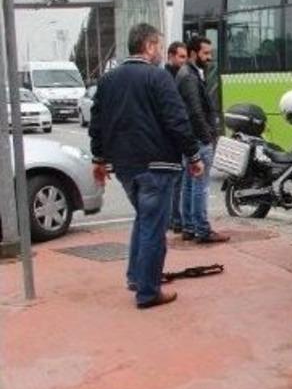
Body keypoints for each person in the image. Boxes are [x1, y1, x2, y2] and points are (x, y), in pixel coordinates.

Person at [89, 23, 204, 309]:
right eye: (158, 47)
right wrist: (194, 156)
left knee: (144, 219)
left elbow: (97, 123)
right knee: (154, 226)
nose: (160, 53)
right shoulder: (158, 77)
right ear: (149, 46)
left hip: (125, 166)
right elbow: (177, 120)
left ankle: (136, 277)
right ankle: (148, 292)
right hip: (158, 164)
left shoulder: (108, 80)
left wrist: (99, 159)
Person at [176, 35, 229, 244]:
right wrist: (207, 137)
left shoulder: (187, 73)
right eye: (205, 53)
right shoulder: (189, 77)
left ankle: (189, 227)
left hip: (189, 138)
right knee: (200, 185)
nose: (209, 58)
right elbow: (196, 112)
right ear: (193, 53)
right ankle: (202, 229)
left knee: (189, 184)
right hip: (198, 139)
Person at [165, 41, 189, 233]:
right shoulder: (166, 78)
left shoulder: (178, 75)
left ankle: (174, 218)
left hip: (173, 136)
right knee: (175, 180)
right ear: (171, 56)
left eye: (185, 57)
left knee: (176, 180)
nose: (184, 60)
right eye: (181, 57)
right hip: (171, 137)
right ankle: (174, 218)